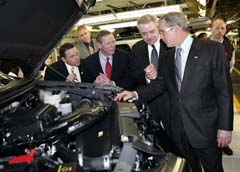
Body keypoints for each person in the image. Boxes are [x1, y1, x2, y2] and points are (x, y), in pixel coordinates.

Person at [115, 12, 233, 172]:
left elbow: (224, 91)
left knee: (213, 168)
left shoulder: (211, 49)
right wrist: (134, 94)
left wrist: (225, 127)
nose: (160, 36)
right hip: (179, 129)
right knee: (190, 168)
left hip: (205, 128)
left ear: (176, 29)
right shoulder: (167, 58)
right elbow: (159, 85)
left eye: (162, 31)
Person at [130, 14, 175, 153]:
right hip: (150, 102)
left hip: (170, 99)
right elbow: (133, 74)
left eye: (152, 31)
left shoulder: (170, 44)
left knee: (175, 136)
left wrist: (159, 73)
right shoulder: (137, 48)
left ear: (158, 28)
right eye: (144, 33)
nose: (148, 37)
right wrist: (145, 74)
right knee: (156, 138)